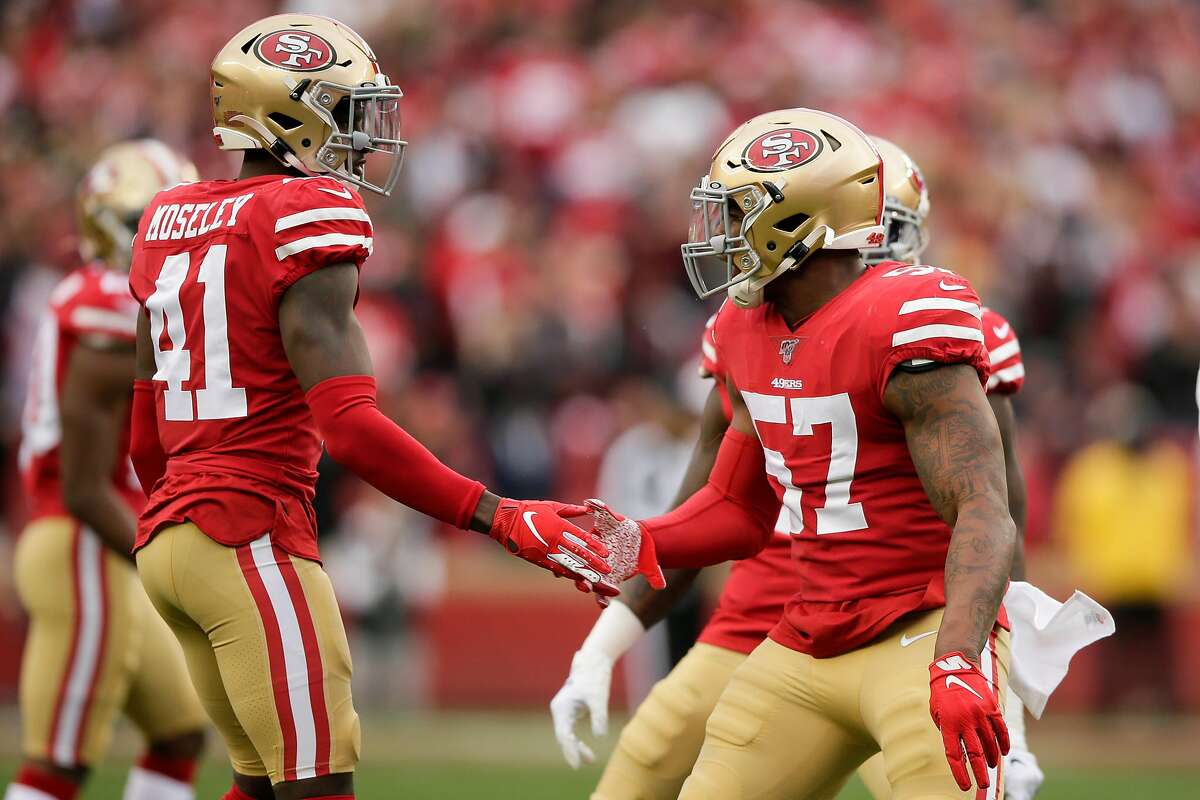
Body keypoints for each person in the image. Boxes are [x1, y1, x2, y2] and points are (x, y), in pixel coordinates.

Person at [125, 14, 658, 800]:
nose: (362, 136)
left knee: (259, 787)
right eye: (345, 112)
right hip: (246, 534)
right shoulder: (303, 215)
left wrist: (187, 522)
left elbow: (145, 439)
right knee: (317, 786)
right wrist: (500, 515)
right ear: (288, 116)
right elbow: (352, 430)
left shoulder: (168, 219)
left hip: (170, 539)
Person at [553, 136, 1040, 799]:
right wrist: (616, 549)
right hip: (802, 626)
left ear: (799, 226)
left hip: (918, 629)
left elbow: (988, 510)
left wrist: (971, 670)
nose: (718, 233)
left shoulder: (916, 321)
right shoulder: (745, 327)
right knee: (660, 771)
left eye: (736, 214)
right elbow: (728, 504)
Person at [9, 141, 208, 800]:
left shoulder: (100, 293)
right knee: (58, 764)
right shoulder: (105, 301)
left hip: (102, 540)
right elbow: (85, 486)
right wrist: (172, 569)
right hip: (83, 540)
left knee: (180, 731)